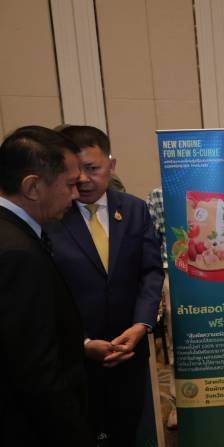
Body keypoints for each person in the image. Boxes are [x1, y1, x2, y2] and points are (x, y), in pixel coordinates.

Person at [47, 125, 164, 445]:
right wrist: (82, 342)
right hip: (74, 356)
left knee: (125, 430)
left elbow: (151, 271)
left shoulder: (134, 209)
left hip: (129, 348)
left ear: (111, 165)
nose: (84, 179)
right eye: (76, 171)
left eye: (92, 168)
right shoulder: (53, 215)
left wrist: (141, 325)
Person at [0, 126, 92, 446]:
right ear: (33, 186)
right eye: (70, 184)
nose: (76, 195)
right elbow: (35, 372)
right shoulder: (17, 253)